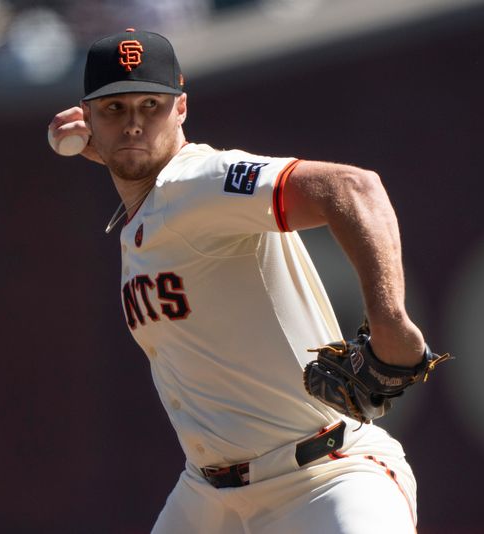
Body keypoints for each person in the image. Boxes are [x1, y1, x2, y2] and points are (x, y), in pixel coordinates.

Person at [49, 28, 429, 533]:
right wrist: (117, 154)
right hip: (207, 499)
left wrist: (390, 322)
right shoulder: (148, 205)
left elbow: (353, 187)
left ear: (180, 109)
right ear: (90, 119)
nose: (136, 123)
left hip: (323, 479)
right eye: (115, 109)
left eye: (151, 105)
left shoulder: (198, 180)